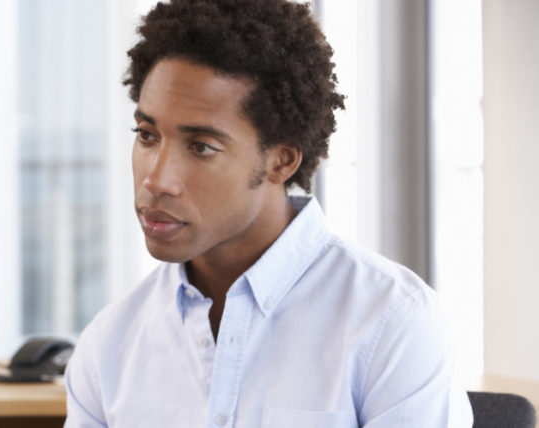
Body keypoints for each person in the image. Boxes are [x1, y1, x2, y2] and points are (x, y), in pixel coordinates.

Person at [63, 0, 473, 426]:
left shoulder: (392, 322)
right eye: (147, 136)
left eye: (201, 146)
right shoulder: (108, 347)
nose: (157, 179)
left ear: (281, 161)